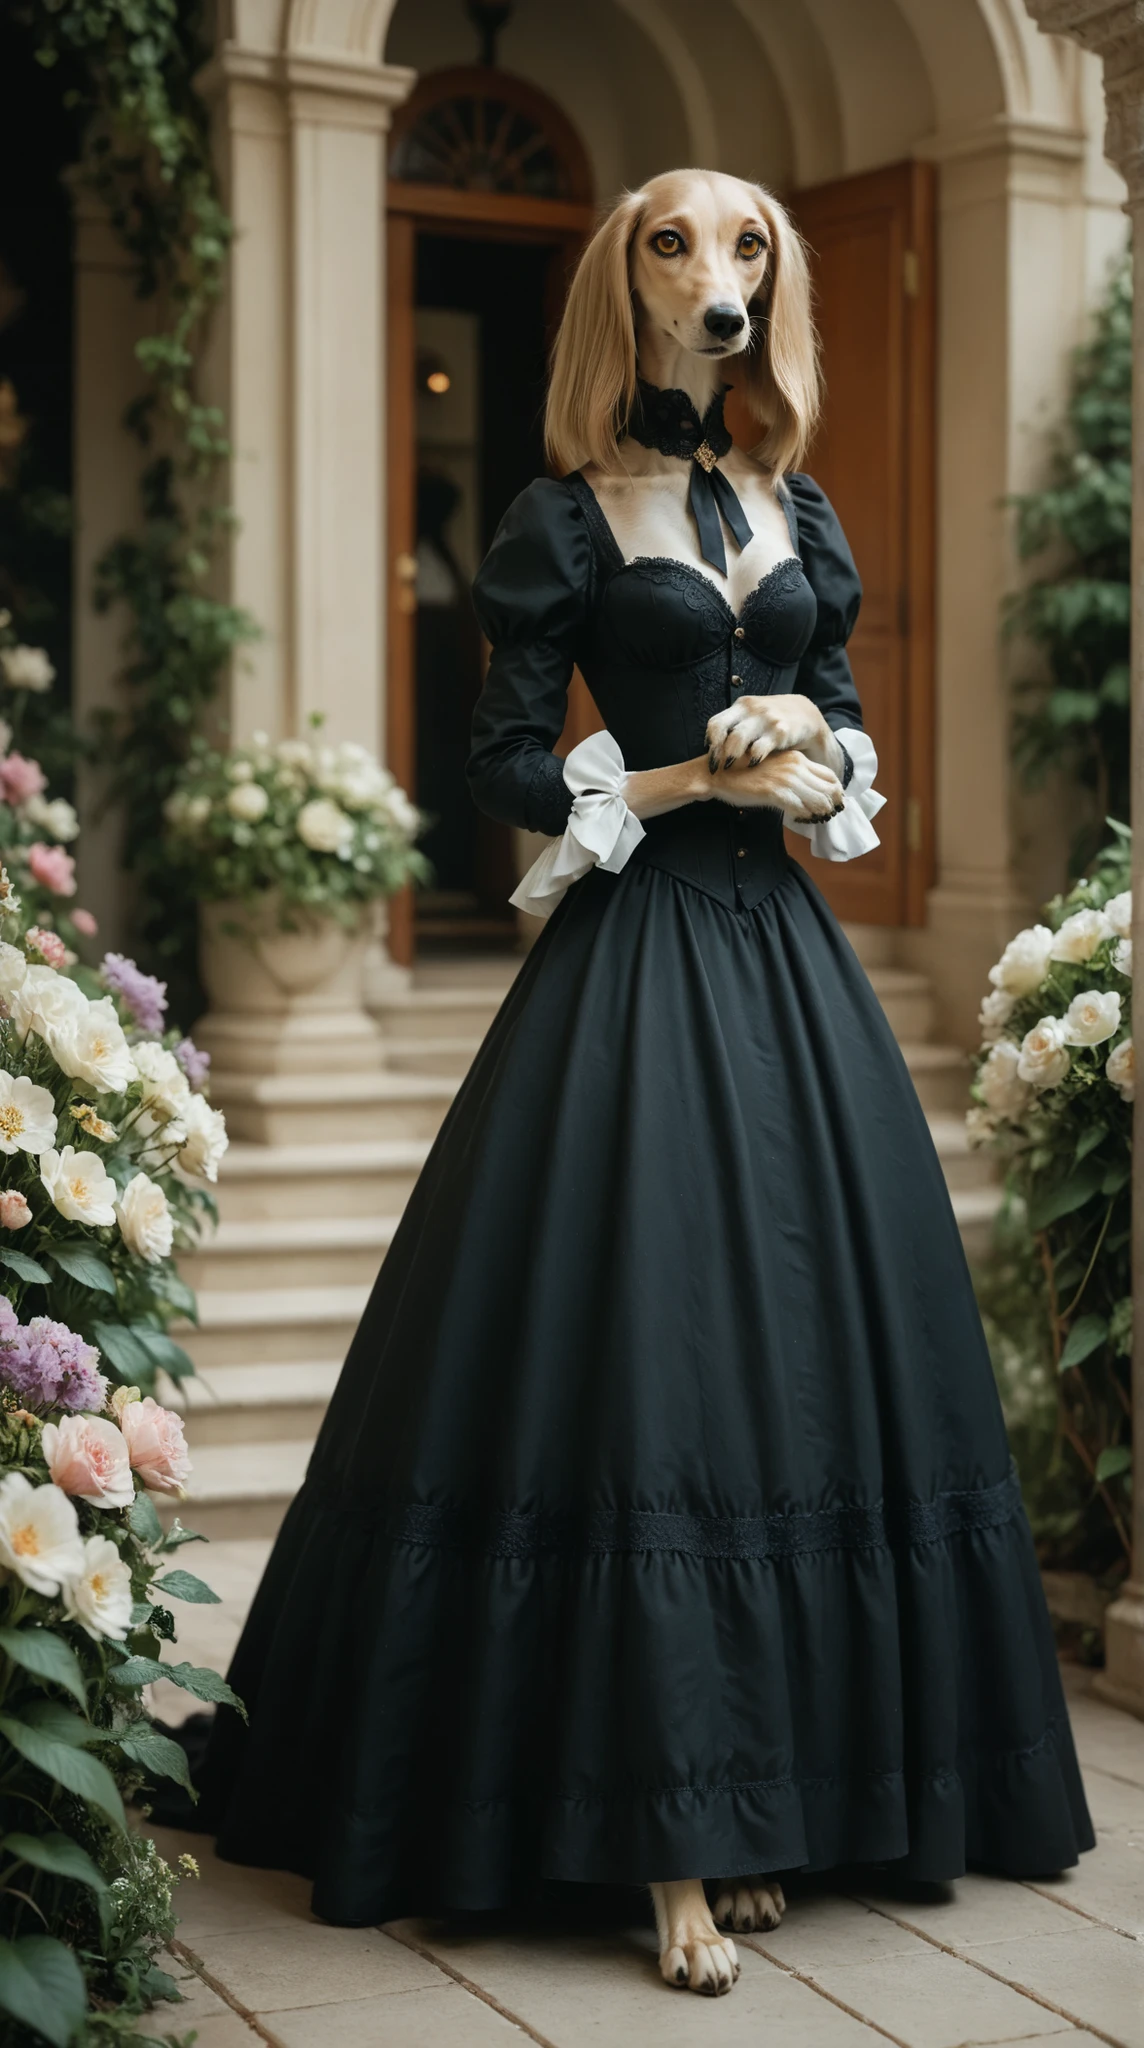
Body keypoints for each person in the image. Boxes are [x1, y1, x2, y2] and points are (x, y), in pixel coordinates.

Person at [201, 170, 1092, 1998]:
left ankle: (790, 1796)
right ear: (632, 281)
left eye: (748, 243)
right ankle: (667, 1840)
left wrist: (813, 752)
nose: (719, 271)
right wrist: (688, 775)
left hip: (793, 975)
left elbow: (846, 756)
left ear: (776, 282)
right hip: (635, 968)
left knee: (813, 1365)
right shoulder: (561, 514)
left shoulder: (799, 502)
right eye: (682, 242)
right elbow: (507, 769)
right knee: (645, 1361)